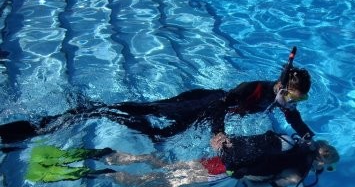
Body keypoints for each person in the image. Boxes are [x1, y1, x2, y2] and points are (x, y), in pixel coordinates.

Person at [24, 131, 339, 187]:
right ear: (321, 163)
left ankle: (112, 156)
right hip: (223, 171)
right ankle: (103, 173)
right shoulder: (299, 173)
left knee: (169, 168)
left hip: (220, 158)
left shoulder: (293, 142)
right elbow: (264, 181)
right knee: (159, 185)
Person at [0, 67, 314, 144]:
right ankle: (90, 110)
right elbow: (220, 105)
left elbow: (295, 120)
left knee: (160, 134)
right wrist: (218, 133)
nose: (294, 104)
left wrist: (309, 136)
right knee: (149, 114)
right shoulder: (254, 89)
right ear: (284, 87)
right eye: (296, 97)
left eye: (299, 101)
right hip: (200, 103)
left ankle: (96, 109)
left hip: (203, 112)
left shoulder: (280, 99)